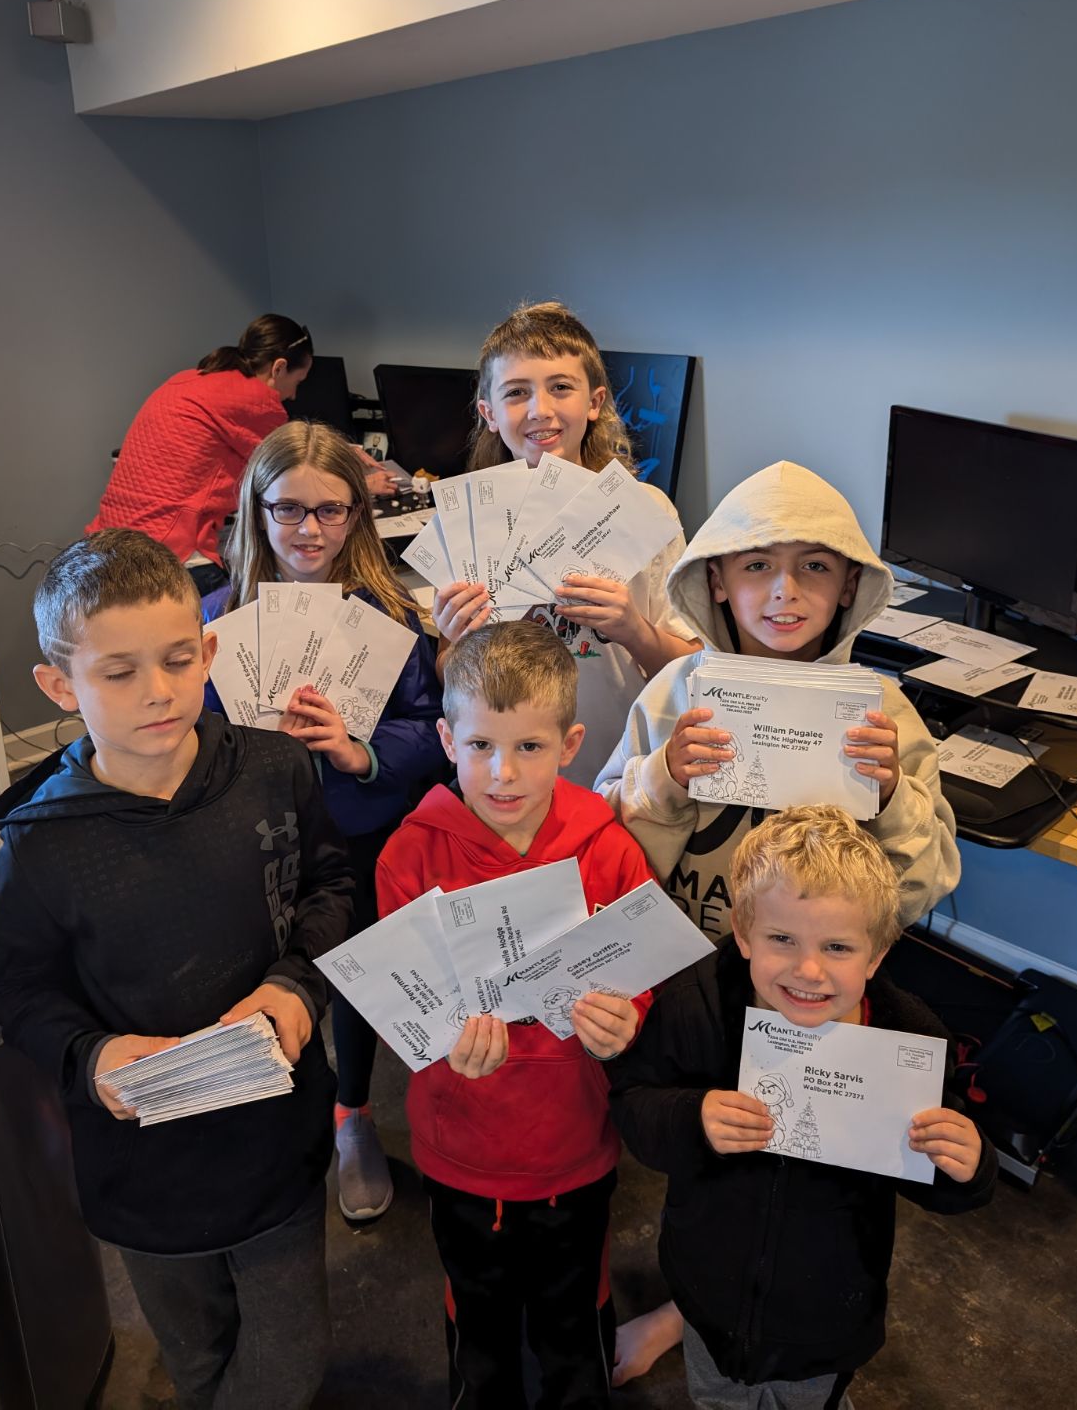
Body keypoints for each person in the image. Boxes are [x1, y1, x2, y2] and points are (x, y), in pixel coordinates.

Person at [595, 458, 962, 1381]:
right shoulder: (675, 695)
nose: (784, 592)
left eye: (813, 567)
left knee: (797, 1179)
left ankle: (736, 1315)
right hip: (697, 983)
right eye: (756, 565)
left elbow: (924, 885)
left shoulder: (882, 710)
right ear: (715, 578)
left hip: (816, 995)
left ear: (849, 587)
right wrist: (664, 780)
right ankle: (694, 1300)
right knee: (704, 1147)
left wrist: (891, 799)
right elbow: (608, 867)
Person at [0, 529, 354, 1410]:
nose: (158, 692)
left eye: (179, 660)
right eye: (118, 673)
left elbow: (332, 888)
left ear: (209, 651)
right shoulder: (42, 842)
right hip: (142, 1165)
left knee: (291, 1357)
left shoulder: (275, 771)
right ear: (58, 686)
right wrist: (90, 1053)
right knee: (195, 1349)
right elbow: (17, 989)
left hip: (275, 1136)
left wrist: (297, 981)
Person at [609, 805, 996, 1410]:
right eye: (781, 938)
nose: (808, 970)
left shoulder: (910, 1038)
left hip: (828, 1313)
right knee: (717, 1400)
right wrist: (694, 1116)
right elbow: (635, 1109)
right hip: (707, 1291)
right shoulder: (696, 1006)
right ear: (742, 932)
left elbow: (937, 1176)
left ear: (875, 955)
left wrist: (969, 1165)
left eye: (838, 946)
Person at [376, 620, 656, 1410]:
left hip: (576, 1146)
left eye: (529, 748)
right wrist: (437, 1045)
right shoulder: (411, 855)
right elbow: (407, 1003)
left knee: (574, 1330)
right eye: (480, 747)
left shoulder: (609, 850)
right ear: (444, 738)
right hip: (460, 1149)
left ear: (570, 743)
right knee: (482, 1333)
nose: (503, 775)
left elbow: (637, 969)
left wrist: (626, 1017)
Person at [202, 420, 445, 1224]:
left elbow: (430, 724)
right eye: (289, 510)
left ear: (358, 515)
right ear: (256, 509)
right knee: (260, 971)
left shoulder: (393, 618)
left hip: (357, 828)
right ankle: (263, 1116)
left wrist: (357, 750)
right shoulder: (213, 620)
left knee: (359, 974)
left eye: (332, 512)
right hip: (249, 839)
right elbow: (182, 732)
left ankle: (353, 1115)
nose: (310, 530)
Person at [432, 301, 699, 788]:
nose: (541, 410)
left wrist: (632, 629)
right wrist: (454, 641)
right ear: (488, 414)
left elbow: (694, 668)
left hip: (623, 773)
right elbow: (451, 676)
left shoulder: (647, 511)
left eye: (560, 387)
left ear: (594, 403)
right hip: (511, 782)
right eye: (517, 392)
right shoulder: (467, 522)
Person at [89, 314, 394, 596]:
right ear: (278, 368)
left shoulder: (193, 379)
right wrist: (364, 487)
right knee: (236, 617)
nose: (293, 396)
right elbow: (295, 483)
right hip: (168, 549)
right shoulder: (258, 402)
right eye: (297, 382)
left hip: (109, 544)